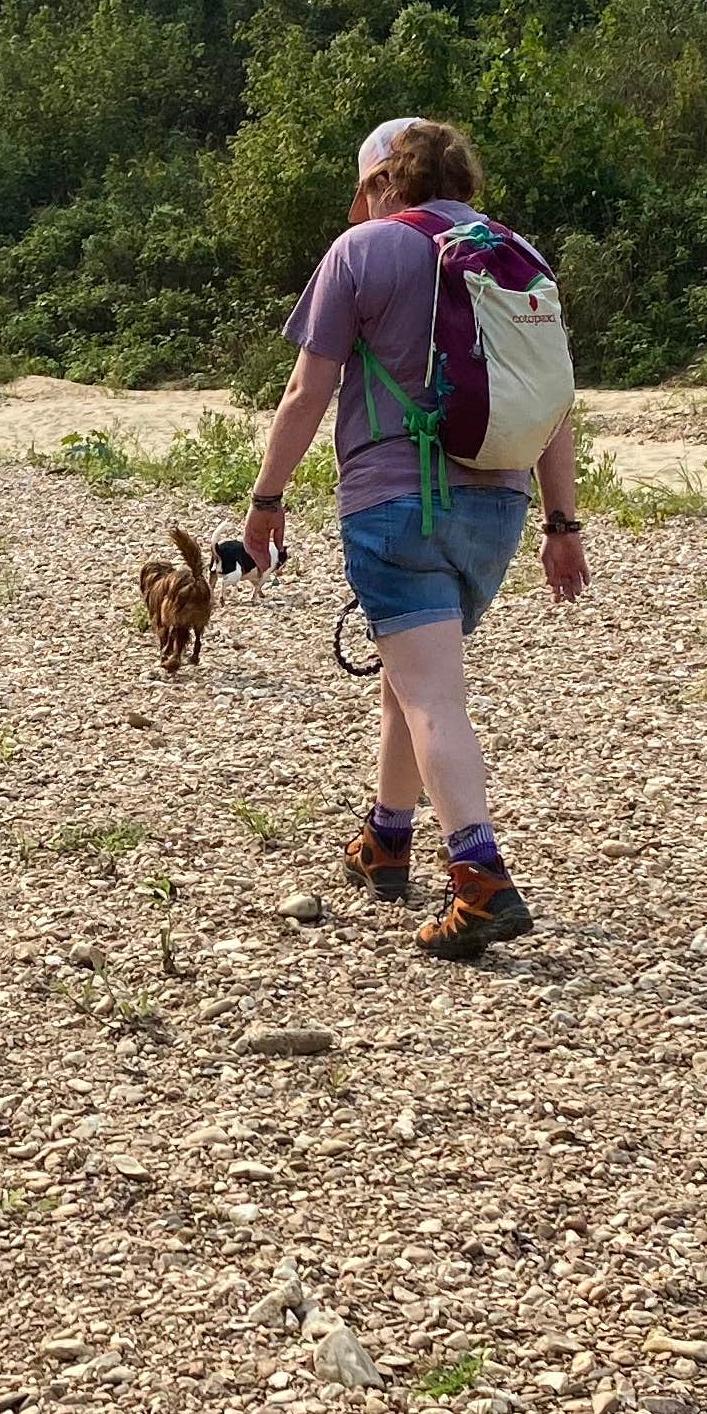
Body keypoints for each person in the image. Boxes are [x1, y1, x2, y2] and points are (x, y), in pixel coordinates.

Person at [241, 115, 589, 963]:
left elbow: (304, 392)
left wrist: (266, 499)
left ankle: (479, 878)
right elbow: (554, 403)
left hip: (396, 503)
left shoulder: (361, 252)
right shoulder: (517, 252)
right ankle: (386, 840)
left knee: (432, 692)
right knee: (412, 668)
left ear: (381, 183)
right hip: (498, 507)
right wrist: (563, 524)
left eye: (360, 191)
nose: (358, 206)